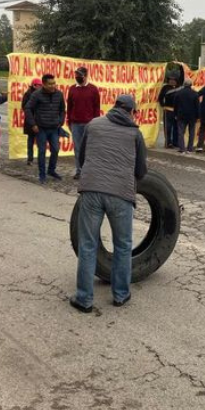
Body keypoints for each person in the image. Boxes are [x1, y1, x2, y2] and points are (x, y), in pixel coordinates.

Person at [71, 94, 147, 313]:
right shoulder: (135, 133)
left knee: (88, 245)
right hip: (120, 195)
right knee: (123, 245)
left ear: (114, 107)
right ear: (131, 111)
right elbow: (141, 171)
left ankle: (84, 299)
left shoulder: (93, 124)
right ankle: (120, 295)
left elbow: (83, 157)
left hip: (91, 190)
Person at [25, 74, 66, 183]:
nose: (53, 86)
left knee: (56, 150)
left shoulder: (59, 94)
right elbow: (28, 108)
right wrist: (33, 124)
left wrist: (61, 121)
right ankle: (42, 174)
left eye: (54, 83)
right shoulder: (36, 95)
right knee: (42, 151)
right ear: (43, 84)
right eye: (50, 84)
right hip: (41, 128)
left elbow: (62, 110)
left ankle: (51, 170)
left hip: (54, 128)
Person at [67, 66, 101, 180]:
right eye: (76, 75)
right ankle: (79, 171)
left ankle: (89, 171)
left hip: (89, 124)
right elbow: (69, 106)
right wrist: (69, 121)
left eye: (80, 75)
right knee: (77, 148)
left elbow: (97, 108)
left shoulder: (93, 89)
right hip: (75, 124)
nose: (77, 77)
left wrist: (95, 123)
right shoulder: (72, 89)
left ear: (86, 76)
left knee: (89, 148)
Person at [173, 78, 199, 154]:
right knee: (191, 132)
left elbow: (175, 105)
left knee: (181, 132)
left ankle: (182, 148)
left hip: (181, 115)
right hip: (192, 116)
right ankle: (189, 148)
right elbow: (197, 106)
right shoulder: (195, 93)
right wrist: (198, 116)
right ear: (191, 84)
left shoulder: (178, 93)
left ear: (184, 84)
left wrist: (175, 114)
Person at [21, 78, 43, 165]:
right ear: (34, 85)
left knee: (40, 141)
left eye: (41, 85)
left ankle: (40, 158)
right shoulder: (28, 94)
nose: (40, 87)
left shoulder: (41, 94)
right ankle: (30, 159)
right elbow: (24, 107)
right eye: (39, 85)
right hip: (31, 121)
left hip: (39, 121)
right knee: (31, 141)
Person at [158, 76, 180, 148]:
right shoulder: (165, 88)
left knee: (176, 127)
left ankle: (175, 142)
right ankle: (168, 142)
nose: (172, 81)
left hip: (177, 111)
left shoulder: (179, 88)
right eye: (170, 80)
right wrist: (163, 105)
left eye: (173, 80)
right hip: (168, 110)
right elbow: (160, 98)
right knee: (168, 127)